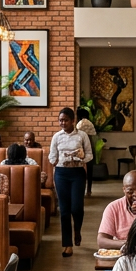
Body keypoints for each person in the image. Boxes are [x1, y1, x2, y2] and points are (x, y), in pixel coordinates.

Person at [48, 107, 92, 257]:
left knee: (77, 208)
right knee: (64, 210)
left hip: (78, 173)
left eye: (65, 120)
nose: (63, 123)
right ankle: (67, 244)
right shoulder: (57, 137)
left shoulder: (82, 136)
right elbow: (52, 156)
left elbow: (90, 155)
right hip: (61, 173)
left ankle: (77, 230)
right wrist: (54, 161)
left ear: (73, 121)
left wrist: (81, 157)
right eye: (60, 120)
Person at [76, 107, 97, 196]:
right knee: (90, 170)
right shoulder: (90, 123)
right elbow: (93, 136)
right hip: (90, 147)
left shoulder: (80, 124)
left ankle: (81, 189)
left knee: (80, 170)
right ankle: (89, 190)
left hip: (82, 148)